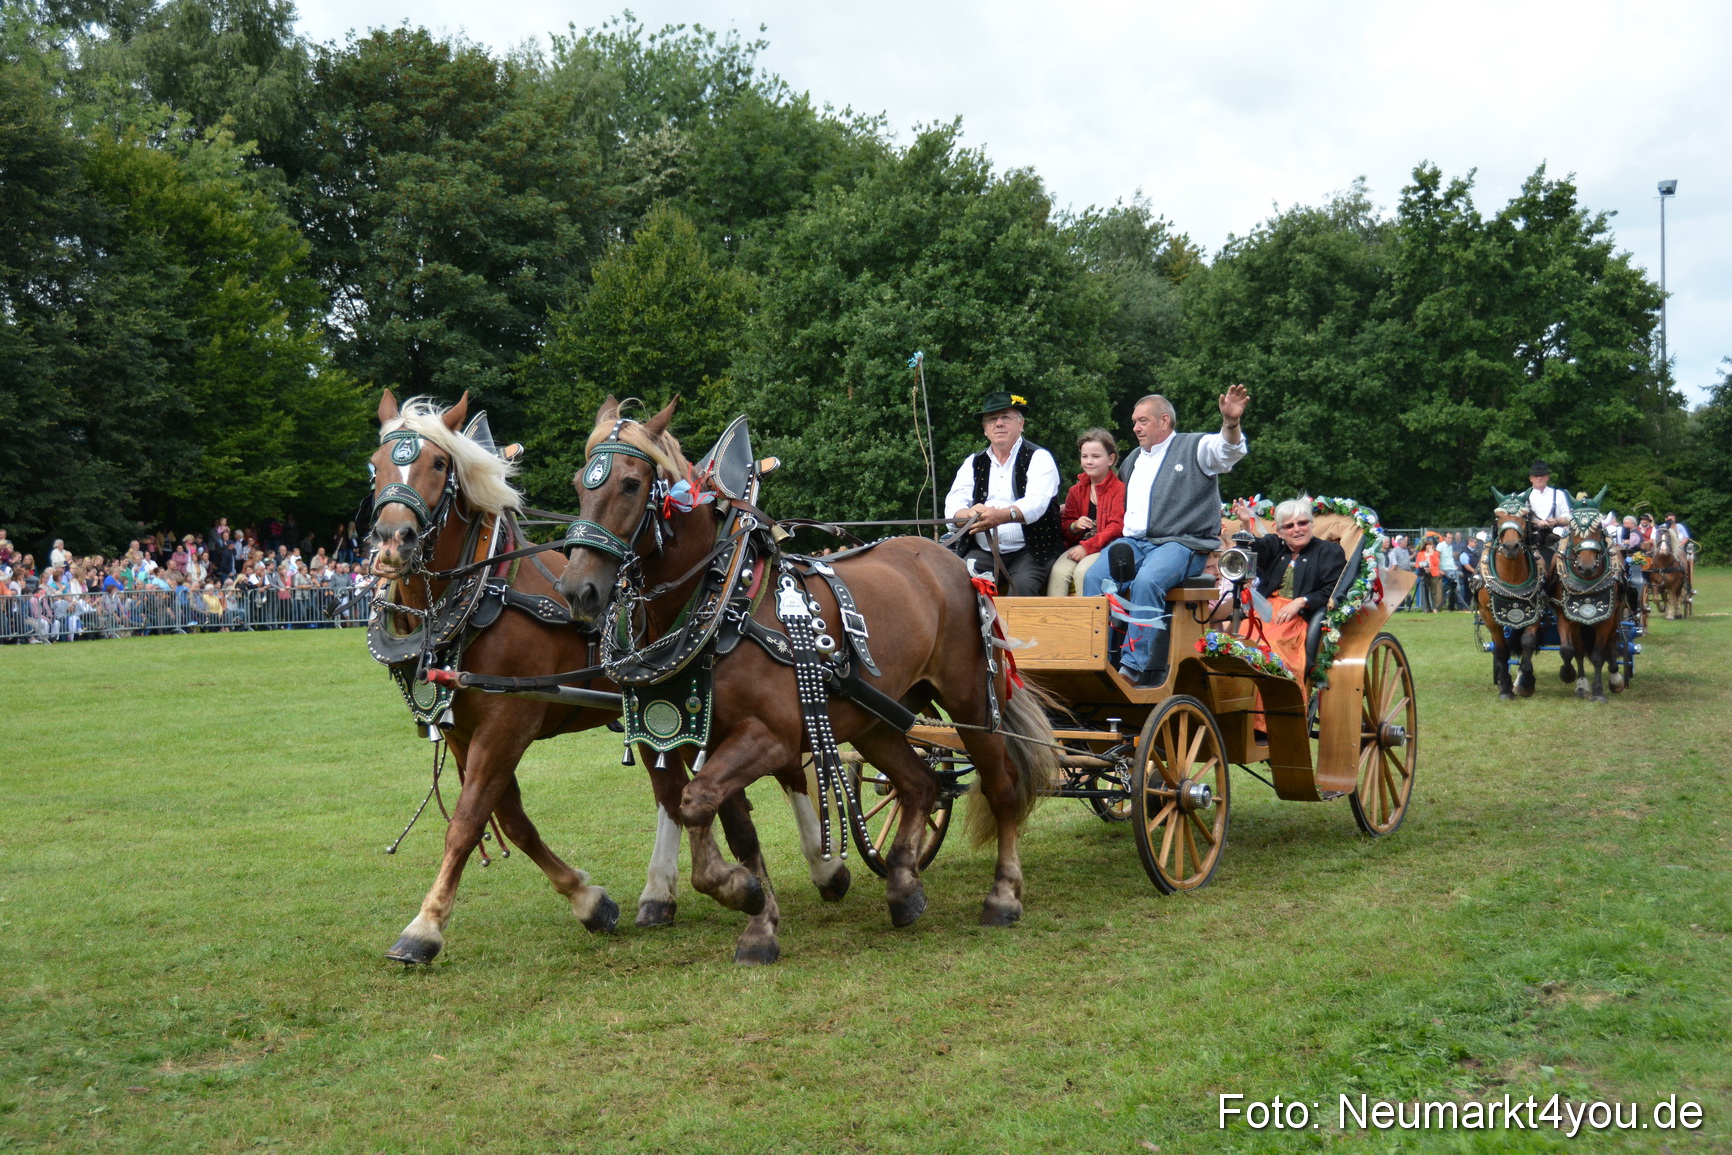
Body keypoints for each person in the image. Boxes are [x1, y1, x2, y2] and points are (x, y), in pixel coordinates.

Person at [1082, 385, 1250, 687]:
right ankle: (1096, 659)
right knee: (1094, 578)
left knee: (1148, 580)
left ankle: (1133, 668)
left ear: (1164, 421)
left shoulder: (1194, 446)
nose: (1135, 427)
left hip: (1182, 543)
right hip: (1134, 542)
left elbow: (1228, 451)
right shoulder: (1133, 459)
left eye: (1142, 421)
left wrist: (1231, 423)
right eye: (1134, 421)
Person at [944, 390, 1063, 596]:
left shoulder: (1039, 458)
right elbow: (953, 503)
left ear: (1021, 424)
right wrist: (968, 515)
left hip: (1031, 551)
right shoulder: (973, 462)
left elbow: (1036, 503)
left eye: (1005, 417)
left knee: (1021, 590)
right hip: (983, 552)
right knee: (955, 588)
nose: (998, 423)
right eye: (991, 419)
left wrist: (1002, 516)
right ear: (985, 430)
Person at [1231, 496, 1347, 679]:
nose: (1297, 529)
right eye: (1289, 526)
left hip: (1298, 617)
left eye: (1302, 523)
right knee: (1240, 642)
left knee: (1271, 647)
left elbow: (1332, 589)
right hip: (1263, 613)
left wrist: (1301, 602)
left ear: (1311, 524)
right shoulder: (1275, 546)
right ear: (1280, 531)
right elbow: (1252, 550)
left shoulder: (1328, 551)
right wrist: (1246, 524)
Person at [1047, 428, 1126, 596]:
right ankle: (1055, 620)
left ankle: (1087, 621)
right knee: (1058, 571)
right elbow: (1066, 526)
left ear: (1110, 459)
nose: (1089, 461)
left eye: (1096, 457)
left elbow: (1116, 527)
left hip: (1106, 547)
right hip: (1079, 546)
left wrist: (1086, 547)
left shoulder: (1119, 489)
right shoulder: (1076, 491)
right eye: (1085, 456)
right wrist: (1075, 526)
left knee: (1083, 572)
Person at [1524, 460, 1571, 568]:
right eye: (1536, 476)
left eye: (1542, 475)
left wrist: (1557, 521)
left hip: (1555, 539)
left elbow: (1568, 518)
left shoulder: (1559, 495)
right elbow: (1519, 520)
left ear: (1547, 477)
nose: (1539, 478)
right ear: (1531, 478)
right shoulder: (1523, 496)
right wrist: (1535, 523)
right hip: (1531, 539)